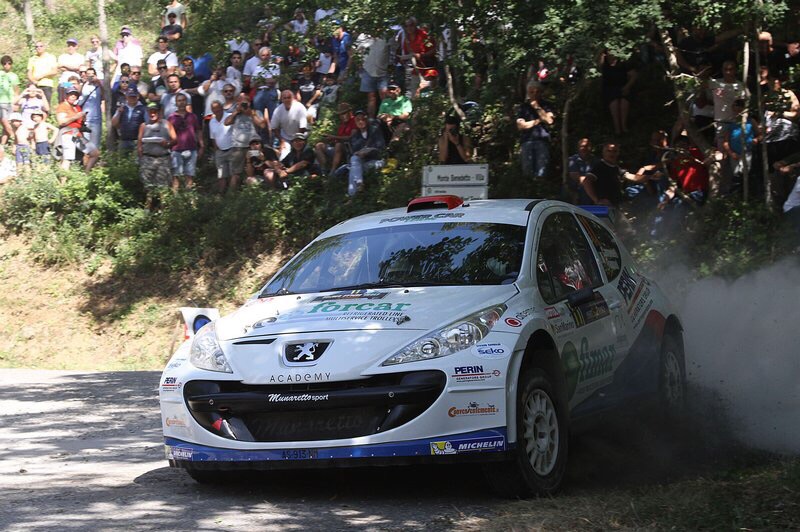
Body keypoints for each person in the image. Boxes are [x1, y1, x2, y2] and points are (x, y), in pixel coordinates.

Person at [224, 93, 268, 191]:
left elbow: (262, 125)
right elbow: (226, 122)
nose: (243, 104)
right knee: (235, 173)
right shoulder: (236, 113)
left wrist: (250, 113)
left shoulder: (255, 112)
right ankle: (232, 194)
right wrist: (236, 111)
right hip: (238, 147)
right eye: (240, 102)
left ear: (249, 102)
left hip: (253, 147)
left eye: (245, 102)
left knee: (253, 171)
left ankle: (253, 193)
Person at [581, 142, 648, 206]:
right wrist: (597, 200)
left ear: (618, 153)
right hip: (604, 208)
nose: (612, 153)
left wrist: (649, 176)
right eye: (609, 151)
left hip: (614, 206)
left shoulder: (616, 168)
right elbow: (586, 181)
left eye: (615, 151)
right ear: (603, 152)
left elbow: (633, 178)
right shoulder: (599, 166)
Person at [137, 103, 176, 207]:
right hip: (147, 159)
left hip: (163, 159)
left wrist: (167, 144)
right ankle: (147, 208)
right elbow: (139, 144)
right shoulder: (143, 126)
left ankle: (164, 209)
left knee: (163, 187)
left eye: (154, 111)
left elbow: (175, 140)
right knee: (147, 186)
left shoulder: (167, 124)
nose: (152, 114)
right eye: (150, 112)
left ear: (159, 112)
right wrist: (141, 158)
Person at [55, 86, 100, 172]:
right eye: (71, 94)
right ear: (66, 95)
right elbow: (61, 122)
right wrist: (76, 116)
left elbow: (80, 122)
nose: (73, 96)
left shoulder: (77, 107)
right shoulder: (63, 106)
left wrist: (83, 118)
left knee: (94, 153)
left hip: (78, 134)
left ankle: (86, 174)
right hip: (68, 134)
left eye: (75, 95)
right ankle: (63, 179)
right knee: (67, 159)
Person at [516, 81, 554, 178]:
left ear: (541, 92)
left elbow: (549, 121)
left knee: (542, 172)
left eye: (537, 92)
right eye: (531, 92)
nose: (534, 94)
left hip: (542, 140)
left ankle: (541, 186)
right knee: (527, 171)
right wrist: (539, 120)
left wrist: (537, 107)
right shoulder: (523, 107)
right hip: (527, 141)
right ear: (528, 93)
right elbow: (521, 126)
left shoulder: (546, 105)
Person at [722, 99, 760, 190]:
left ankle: (746, 192)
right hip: (735, 153)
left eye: (740, 109)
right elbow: (725, 141)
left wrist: (756, 139)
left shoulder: (751, 121)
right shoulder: (730, 123)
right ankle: (737, 192)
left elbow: (760, 134)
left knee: (745, 172)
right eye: (736, 110)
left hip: (747, 152)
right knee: (736, 174)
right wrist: (731, 153)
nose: (738, 112)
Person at [167, 92, 203, 190]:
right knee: (176, 176)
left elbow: (198, 130)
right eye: (179, 101)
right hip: (176, 149)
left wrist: (201, 145)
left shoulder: (192, 116)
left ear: (186, 102)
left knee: (189, 175)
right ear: (176, 103)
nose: (181, 103)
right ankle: (175, 197)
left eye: (183, 100)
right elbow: (168, 134)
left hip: (191, 148)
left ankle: (189, 196)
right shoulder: (171, 118)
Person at [346, 110, 386, 196]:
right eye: (358, 120)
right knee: (354, 160)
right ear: (355, 122)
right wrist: (360, 153)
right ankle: (359, 184)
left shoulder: (374, 130)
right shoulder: (355, 136)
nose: (360, 122)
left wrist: (370, 150)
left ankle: (352, 196)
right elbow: (354, 152)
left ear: (366, 120)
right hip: (362, 164)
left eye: (362, 119)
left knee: (353, 169)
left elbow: (381, 148)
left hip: (377, 161)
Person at [599, 50, 637, 135]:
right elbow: (599, 68)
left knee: (624, 101)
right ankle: (617, 128)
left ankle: (624, 126)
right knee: (614, 102)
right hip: (609, 88)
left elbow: (634, 75)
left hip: (623, 86)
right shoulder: (604, 64)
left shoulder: (623, 62)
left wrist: (627, 87)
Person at [396, 17, 436, 99]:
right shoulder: (406, 39)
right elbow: (407, 53)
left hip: (428, 68)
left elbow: (433, 49)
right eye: (406, 26)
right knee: (413, 93)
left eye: (411, 25)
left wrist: (422, 55)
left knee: (427, 93)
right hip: (415, 69)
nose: (409, 28)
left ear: (415, 25)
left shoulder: (423, 35)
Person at [315, 102, 355, 174]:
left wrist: (333, 137)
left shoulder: (354, 121)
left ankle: (332, 172)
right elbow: (338, 138)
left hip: (350, 148)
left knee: (338, 145)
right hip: (338, 149)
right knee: (319, 145)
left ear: (350, 112)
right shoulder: (342, 125)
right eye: (341, 114)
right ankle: (324, 170)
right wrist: (330, 139)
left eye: (344, 113)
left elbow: (351, 137)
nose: (343, 116)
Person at [355, 34, 390, 117]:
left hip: (382, 71)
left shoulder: (385, 35)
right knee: (371, 97)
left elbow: (394, 48)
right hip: (367, 70)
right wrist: (359, 66)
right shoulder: (362, 36)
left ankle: (387, 119)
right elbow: (357, 52)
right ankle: (371, 119)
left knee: (384, 96)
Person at [244, 46, 281, 118]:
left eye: (267, 55)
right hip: (259, 93)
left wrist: (260, 80)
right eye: (263, 55)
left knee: (274, 117)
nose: (265, 57)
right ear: (260, 56)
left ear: (270, 55)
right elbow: (252, 85)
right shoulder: (257, 68)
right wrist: (267, 81)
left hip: (271, 92)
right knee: (259, 117)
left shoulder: (275, 67)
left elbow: (273, 81)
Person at [271, 89, 308, 159]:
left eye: (288, 98)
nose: (286, 100)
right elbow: (274, 128)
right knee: (284, 156)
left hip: (300, 136)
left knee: (301, 156)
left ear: (292, 98)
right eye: (284, 98)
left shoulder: (300, 107)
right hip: (286, 138)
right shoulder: (278, 110)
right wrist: (281, 141)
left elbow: (303, 127)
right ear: (281, 99)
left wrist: (296, 140)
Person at [208, 100, 235, 192]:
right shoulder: (212, 122)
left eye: (218, 108)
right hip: (220, 151)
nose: (216, 111)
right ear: (212, 110)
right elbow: (213, 137)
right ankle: (221, 193)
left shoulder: (230, 116)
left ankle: (232, 194)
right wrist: (216, 150)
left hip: (231, 149)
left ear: (222, 108)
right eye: (214, 109)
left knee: (233, 174)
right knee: (221, 175)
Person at [111, 87, 146, 152]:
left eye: (134, 96)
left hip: (137, 141)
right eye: (130, 96)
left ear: (138, 96)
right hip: (123, 140)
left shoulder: (143, 109)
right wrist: (119, 113)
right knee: (122, 157)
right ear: (126, 96)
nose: (132, 98)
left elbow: (147, 124)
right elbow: (114, 123)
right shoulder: (122, 107)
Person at [78, 67, 104, 149]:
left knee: (95, 145)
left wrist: (98, 82)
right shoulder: (83, 84)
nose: (90, 76)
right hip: (85, 119)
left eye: (92, 75)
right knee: (85, 146)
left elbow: (105, 96)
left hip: (96, 119)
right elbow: (67, 85)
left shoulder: (99, 85)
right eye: (88, 74)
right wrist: (82, 84)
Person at [566, 138, 596, 203]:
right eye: (582, 146)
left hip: (593, 184)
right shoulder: (573, 160)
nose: (584, 148)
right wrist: (588, 182)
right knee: (583, 188)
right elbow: (575, 177)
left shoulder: (595, 160)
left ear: (591, 148)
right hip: (577, 186)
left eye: (587, 146)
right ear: (578, 148)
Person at [0, 56, 20, 145]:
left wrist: (16, 103)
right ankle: (15, 138)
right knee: (4, 121)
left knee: (7, 124)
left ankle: (3, 145)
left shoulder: (14, 76)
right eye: (4, 63)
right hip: (1, 102)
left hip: (10, 102)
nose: (7, 65)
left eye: (9, 63)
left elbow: (16, 90)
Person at [57, 38, 85, 102]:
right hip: (64, 82)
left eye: (73, 45)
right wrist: (73, 68)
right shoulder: (62, 56)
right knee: (63, 99)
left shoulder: (80, 57)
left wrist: (65, 65)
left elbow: (79, 68)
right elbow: (60, 67)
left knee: (76, 99)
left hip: (76, 82)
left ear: (76, 47)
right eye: (69, 45)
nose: (71, 47)